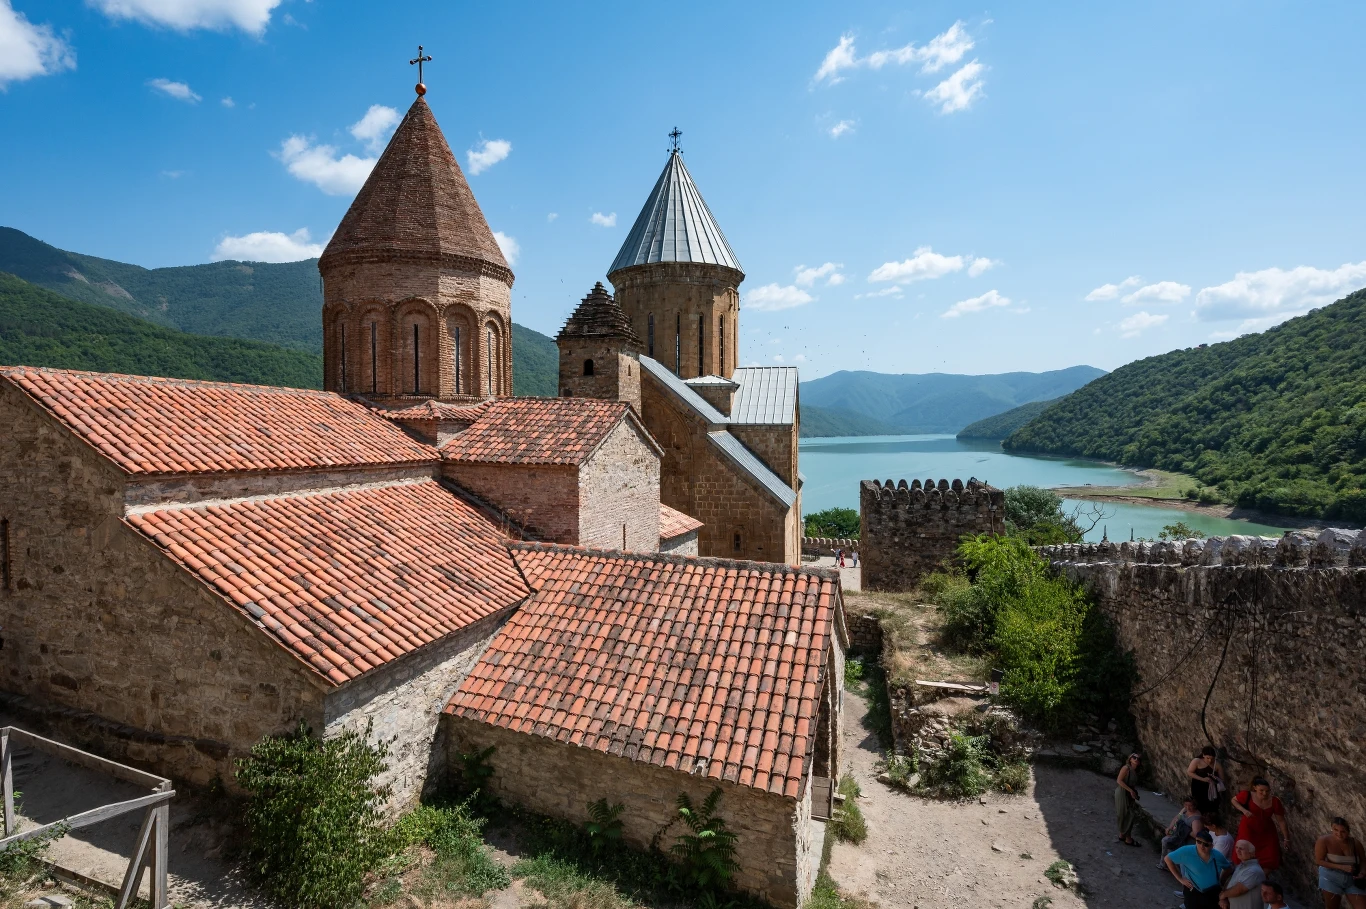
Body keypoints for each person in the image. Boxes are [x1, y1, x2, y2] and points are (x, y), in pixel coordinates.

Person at [1166, 828, 1233, 909]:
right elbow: (1168, 859)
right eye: (1199, 842)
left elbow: (1228, 868)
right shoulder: (1187, 851)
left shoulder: (1217, 856)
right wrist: (1180, 878)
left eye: (1206, 844)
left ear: (1211, 846)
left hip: (1212, 893)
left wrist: (1221, 881)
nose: (1201, 846)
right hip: (1193, 891)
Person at [1233, 777, 1288, 872]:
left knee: (1270, 856)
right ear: (1255, 788)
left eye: (1267, 791)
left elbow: (1281, 821)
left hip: (1266, 831)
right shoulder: (1247, 795)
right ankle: (1243, 876)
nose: (1264, 793)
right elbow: (1234, 800)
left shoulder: (1274, 801)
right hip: (1248, 829)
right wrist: (1244, 810)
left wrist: (1286, 838)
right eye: (1261, 791)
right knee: (1244, 852)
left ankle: (1262, 880)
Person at [1315, 816, 1366, 909]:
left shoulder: (1355, 843)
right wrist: (1342, 867)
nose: (1339, 834)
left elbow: (1363, 861)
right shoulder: (1323, 840)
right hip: (1330, 876)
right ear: (1331, 828)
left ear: (1348, 831)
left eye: (1343, 831)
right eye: (1335, 830)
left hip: (1352, 878)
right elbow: (1319, 861)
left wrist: (1362, 873)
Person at [1159, 797, 1205, 869]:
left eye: (1190, 806)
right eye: (1186, 805)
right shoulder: (1184, 810)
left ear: (1195, 806)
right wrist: (1170, 828)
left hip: (1186, 840)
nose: (1188, 807)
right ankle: (1163, 864)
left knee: (1168, 844)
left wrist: (1186, 830)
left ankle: (1171, 866)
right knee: (1165, 840)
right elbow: (1177, 818)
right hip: (1178, 834)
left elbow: (1197, 835)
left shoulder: (1196, 819)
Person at [1220, 839, 1265, 909]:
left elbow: (1239, 890)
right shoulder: (1241, 866)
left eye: (1241, 848)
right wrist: (1224, 899)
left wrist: (1223, 895)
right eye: (1236, 847)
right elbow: (1230, 884)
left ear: (1251, 853)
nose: (1237, 851)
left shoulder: (1253, 871)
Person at [1189, 746, 1227, 814]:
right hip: (1198, 788)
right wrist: (1202, 779)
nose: (1210, 760)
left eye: (1212, 758)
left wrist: (1215, 779)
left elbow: (1222, 780)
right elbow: (1189, 772)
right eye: (1208, 758)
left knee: (1211, 808)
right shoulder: (1197, 761)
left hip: (1211, 790)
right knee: (1199, 805)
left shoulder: (1217, 765)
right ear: (1203, 755)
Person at [1115, 752, 1142, 846]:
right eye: (1134, 757)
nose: (1136, 759)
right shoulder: (1126, 768)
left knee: (1129, 814)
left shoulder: (1135, 771)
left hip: (1130, 793)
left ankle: (1123, 835)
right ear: (1130, 759)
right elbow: (1119, 780)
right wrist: (1130, 790)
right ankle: (1128, 838)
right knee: (1124, 814)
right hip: (1122, 792)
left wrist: (1134, 793)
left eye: (1138, 759)